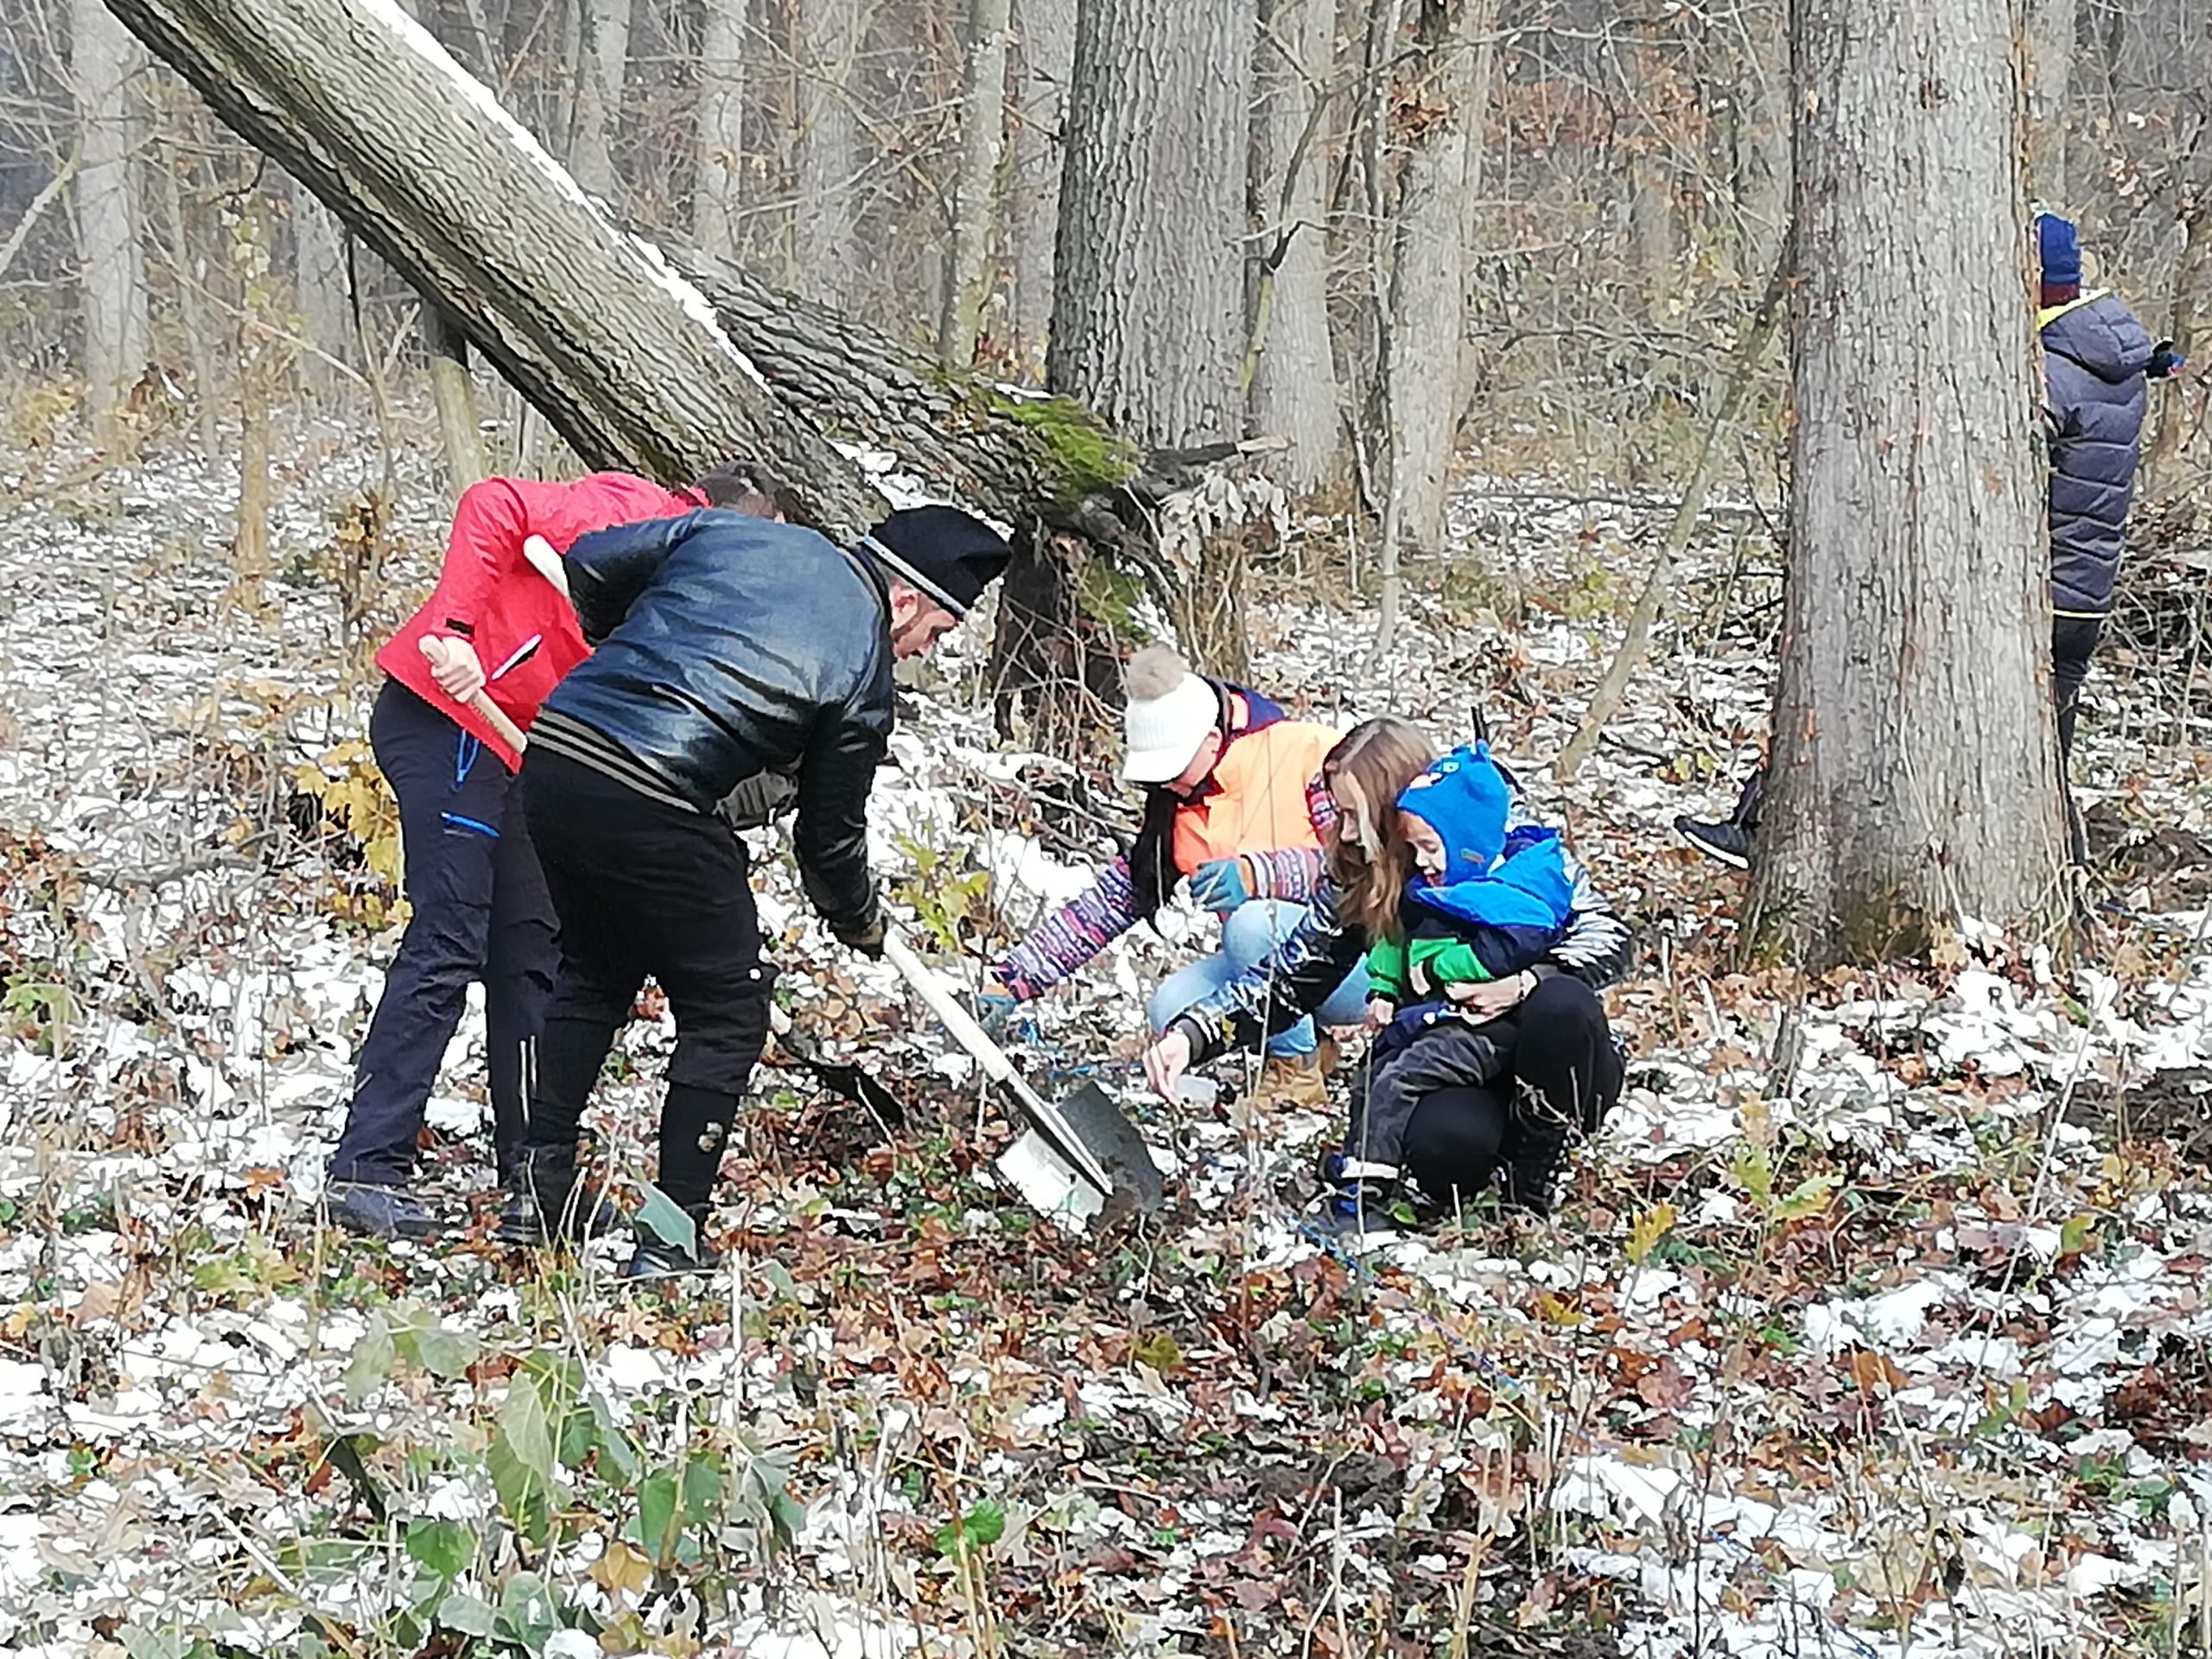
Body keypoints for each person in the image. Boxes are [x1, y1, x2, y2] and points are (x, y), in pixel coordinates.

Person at [499, 503, 1011, 1278]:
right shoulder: (860, 671)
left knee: (595, 972)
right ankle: (671, 1238)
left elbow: (591, 562)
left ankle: (538, 1189)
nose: (920, 654)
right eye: (933, 634)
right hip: (656, 798)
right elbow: (828, 837)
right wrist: (857, 917)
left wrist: (622, 646)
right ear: (905, 600)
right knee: (728, 1010)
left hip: (560, 754)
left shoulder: (742, 534)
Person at [323, 464, 785, 1241]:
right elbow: (492, 503)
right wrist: (459, 633)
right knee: (451, 934)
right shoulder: (630, 515)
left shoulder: (685, 603)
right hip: (450, 716)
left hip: (524, 753)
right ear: (720, 524)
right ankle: (367, 1167)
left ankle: (534, 1178)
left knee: (534, 950)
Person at [1676, 213, 2182, 870]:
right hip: (2085, 594)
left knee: (1865, 675)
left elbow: (1993, 464)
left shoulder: (2052, 375)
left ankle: (1760, 822)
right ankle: (2063, 872)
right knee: (2046, 748)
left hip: (2033, 593)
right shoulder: (2118, 362)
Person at [1141, 717, 1632, 1232]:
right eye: (1341, 814)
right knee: (1441, 1147)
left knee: (1562, 1004)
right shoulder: (1364, 869)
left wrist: (1523, 982)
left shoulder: (1503, 832)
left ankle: (1537, 1166)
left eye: (1354, 815)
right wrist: (1193, 1036)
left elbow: (1609, 934)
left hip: (1555, 1053)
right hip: (1453, 1048)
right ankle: (1484, 1173)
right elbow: (1292, 976)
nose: (1345, 831)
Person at [981, 645, 1363, 1103]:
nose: (1169, 785)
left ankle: (1295, 1072)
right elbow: (1103, 908)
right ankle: (1309, 1041)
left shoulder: (1308, 755)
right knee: (1172, 1011)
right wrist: (1012, 981)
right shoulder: (1179, 812)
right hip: (1271, 973)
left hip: (1355, 961)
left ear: (1211, 739)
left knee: (1249, 925)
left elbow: (1359, 867)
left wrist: (1259, 874)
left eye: (1175, 769)